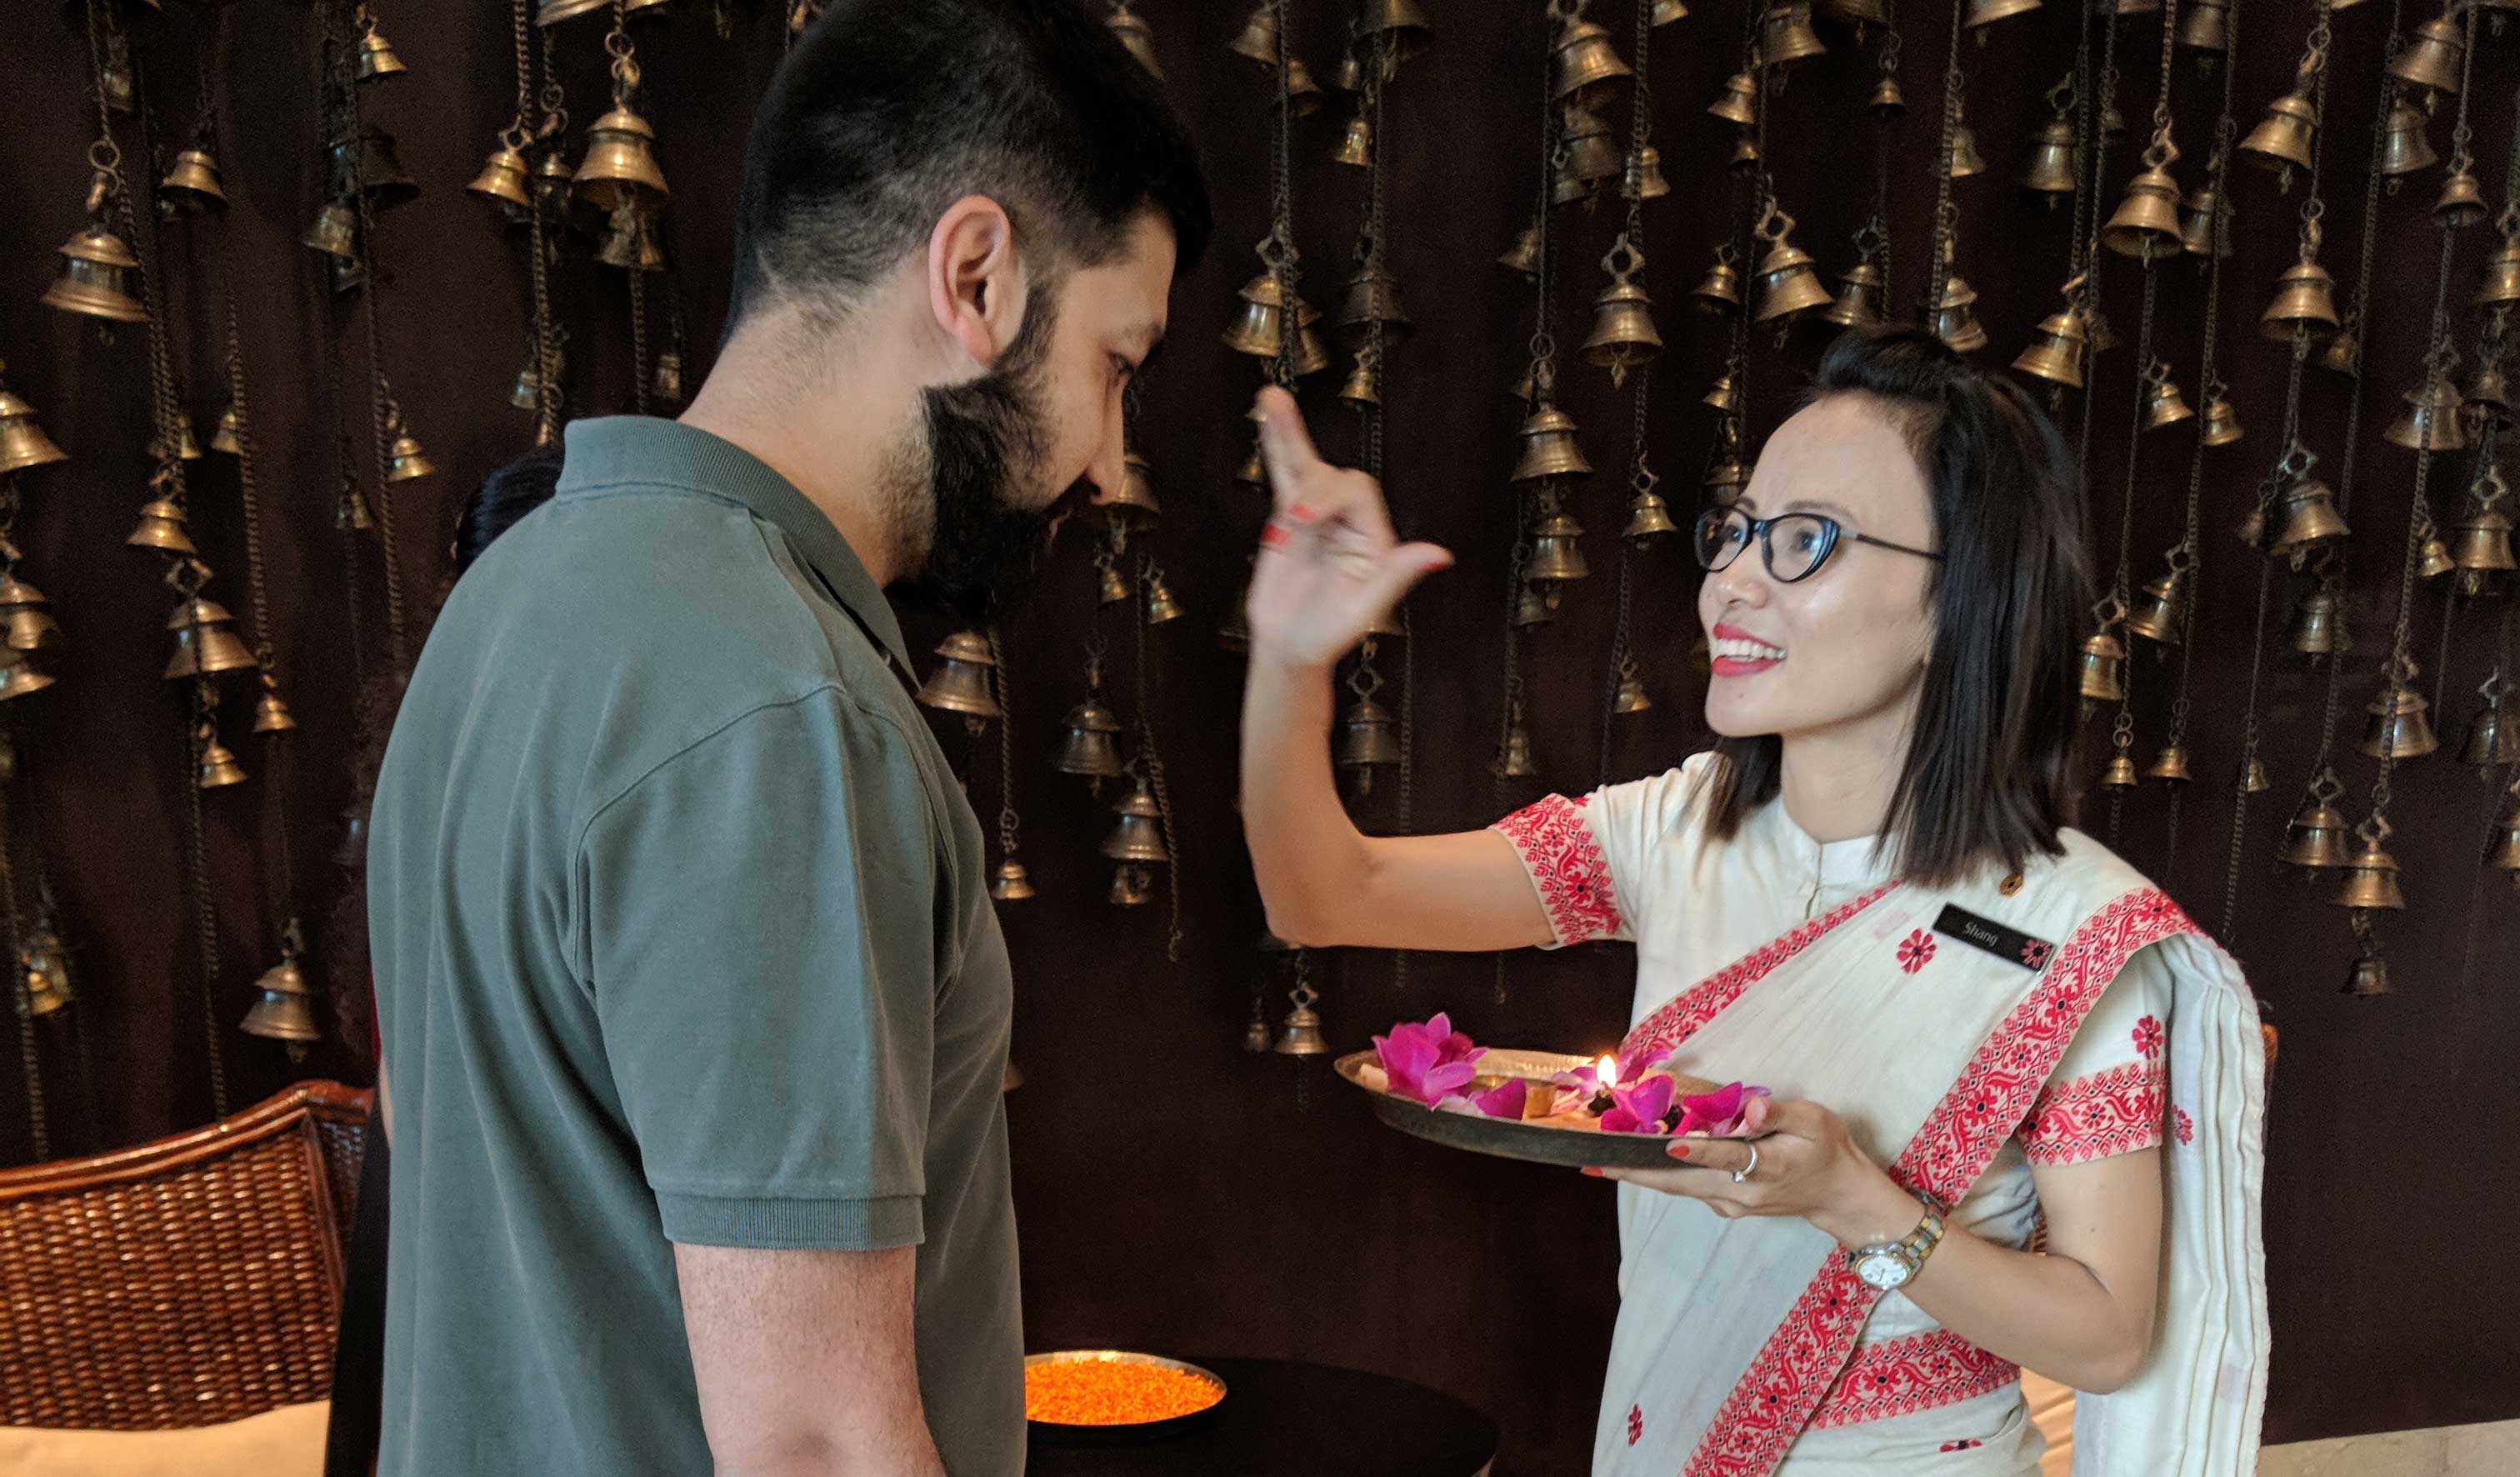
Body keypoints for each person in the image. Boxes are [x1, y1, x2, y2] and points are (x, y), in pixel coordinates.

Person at [363, 0, 1208, 1471]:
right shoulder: (775, 710)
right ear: (978, 276)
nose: (1108, 461)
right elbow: (813, 1443)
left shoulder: (514, 595)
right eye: (1116, 365)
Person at [1238, 328, 2267, 1476]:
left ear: (1957, 598)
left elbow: (2108, 1338)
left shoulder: (2069, 932)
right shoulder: (1671, 834)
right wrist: (1290, 660)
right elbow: (1323, 895)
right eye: (1736, 531)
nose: (1731, 580)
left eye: (1804, 542)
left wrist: (1854, 1200)